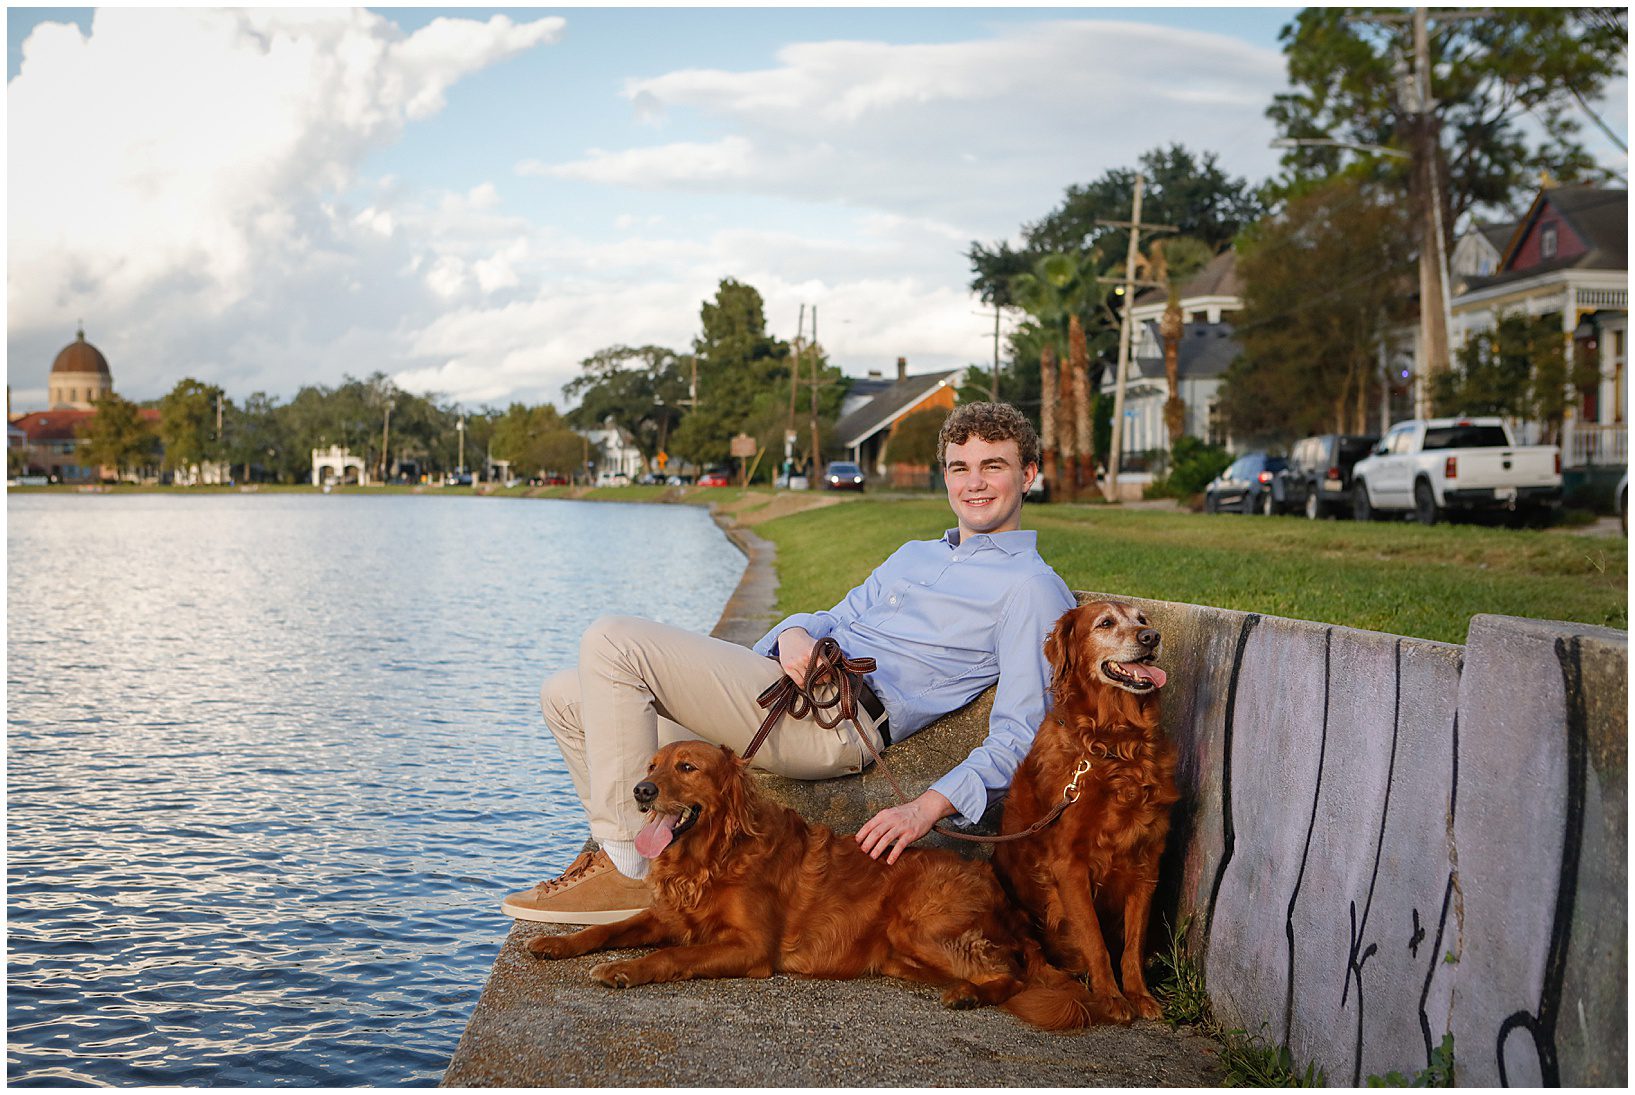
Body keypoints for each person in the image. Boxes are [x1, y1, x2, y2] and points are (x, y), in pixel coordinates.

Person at [503, 401, 1076, 924]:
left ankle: (628, 869)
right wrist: (796, 632)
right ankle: (647, 858)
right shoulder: (915, 556)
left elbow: (1023, 732)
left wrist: (926, 808)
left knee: (613, 640)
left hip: (834, 725)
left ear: (1028, 476)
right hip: (780, 690)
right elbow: (834, 615)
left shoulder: (1031, 588)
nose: (973, 482)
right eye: (959, 467)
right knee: (565, 695)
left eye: (992, 466)